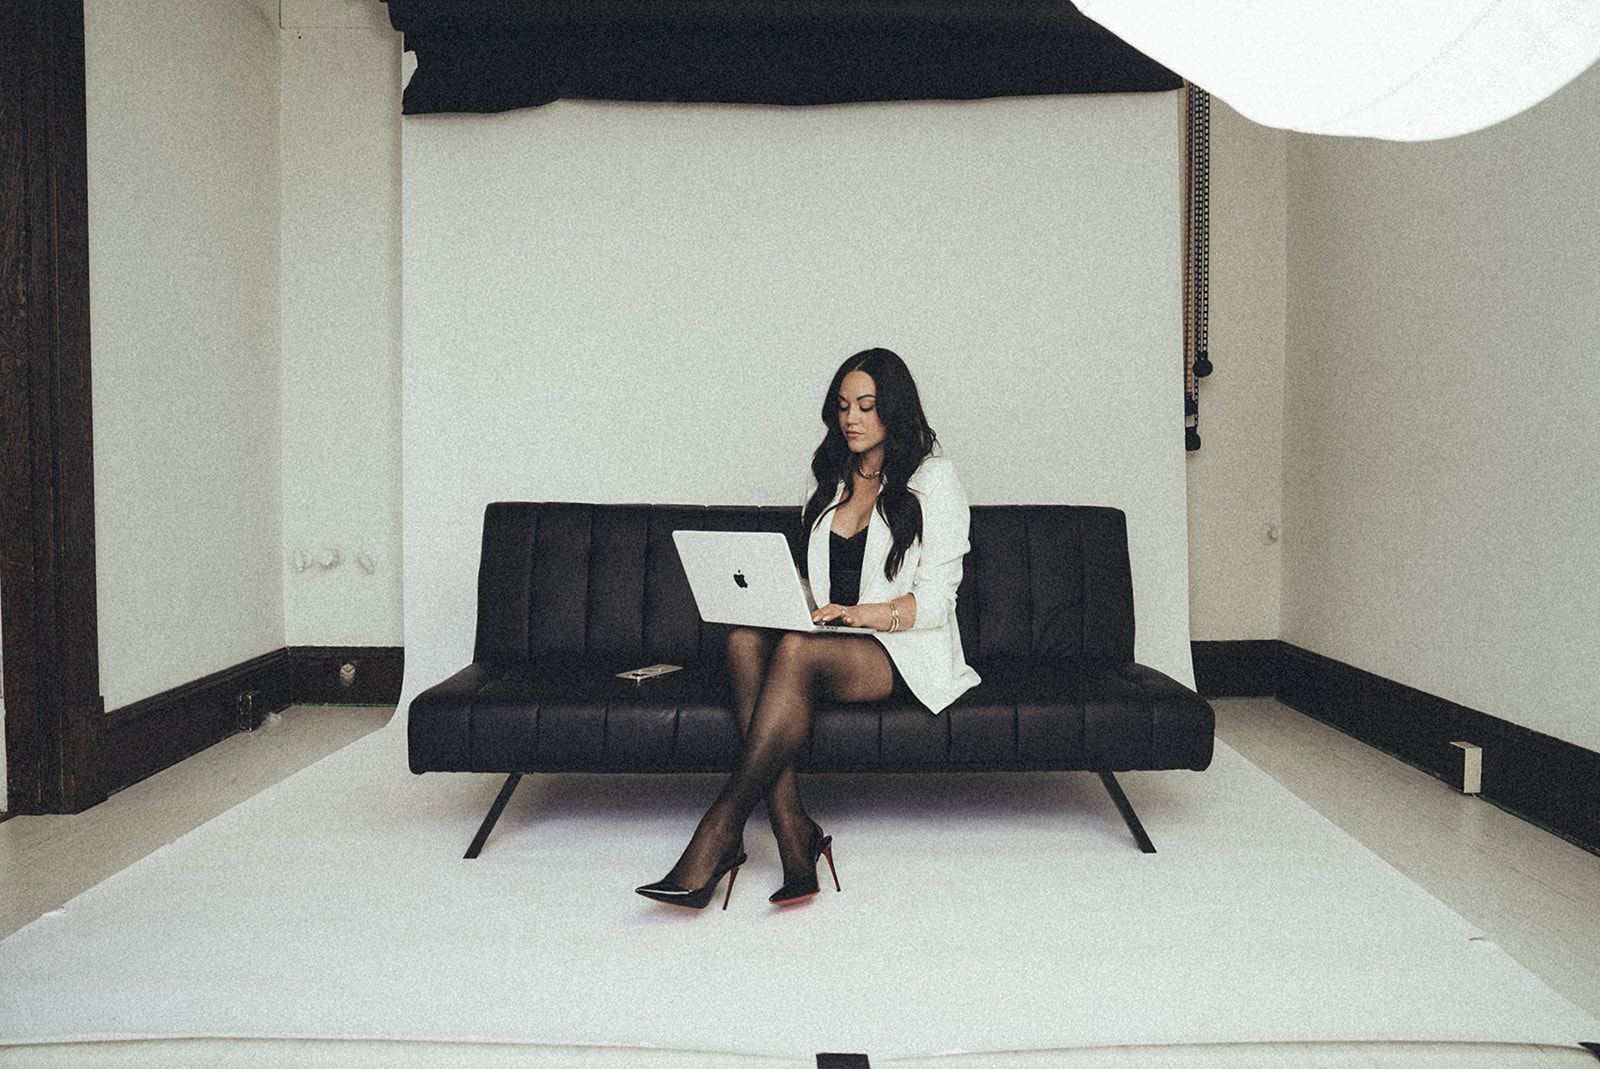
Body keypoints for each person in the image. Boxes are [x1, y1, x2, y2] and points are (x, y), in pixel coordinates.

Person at [635, 347, 981, 910]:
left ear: (894, 409)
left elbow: (938, 601)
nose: (851, 418)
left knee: (795, 651)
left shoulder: (934, 478)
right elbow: (822, 585)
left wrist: (863, 614)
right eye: (843, 406)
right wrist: (779, 595)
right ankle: (794, 830)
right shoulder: (832, 477)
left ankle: (721, 830)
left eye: (867, 406)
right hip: (836, 636)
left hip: (902, 645)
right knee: (744, 640)